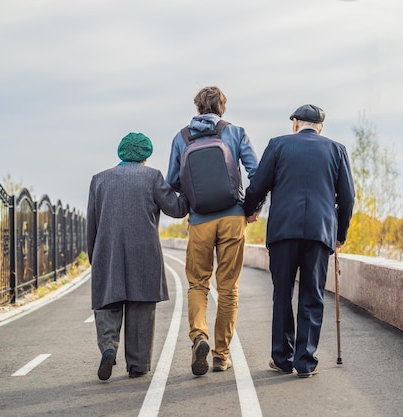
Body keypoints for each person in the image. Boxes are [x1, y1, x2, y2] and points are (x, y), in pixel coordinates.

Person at [243, 104, 355, 378]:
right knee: (312, 296)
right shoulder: (337, 149)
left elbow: (258, 185)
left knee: (282, 294)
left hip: (283, 232)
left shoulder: (278, 145)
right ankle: (305, 362)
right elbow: (348, 197)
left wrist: (249, 210)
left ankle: (282, 358)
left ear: (295, 123)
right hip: (319, 234)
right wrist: (340, 234)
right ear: (320, 127)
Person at [166, 86, 259, 376]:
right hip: (233, 218)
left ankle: (199, 336)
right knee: (228, 288)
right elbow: (256, 172)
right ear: (222, 108)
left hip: (200, 221)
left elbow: (172, 182)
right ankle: (221, 356)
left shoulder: (181, 138)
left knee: (197, 285)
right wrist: (252, 208)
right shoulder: (235, 132)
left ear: (197, 108)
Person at [87, 132, 188, 381]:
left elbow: (92, 223)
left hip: (107, 251)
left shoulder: (99, 180)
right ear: (145, 156)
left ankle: (109, 347)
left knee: (107, 304)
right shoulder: (152, 177)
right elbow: (176, 209)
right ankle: (138, 364)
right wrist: (188, 190)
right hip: (144, 253)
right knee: (141, 306)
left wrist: (95, 257)